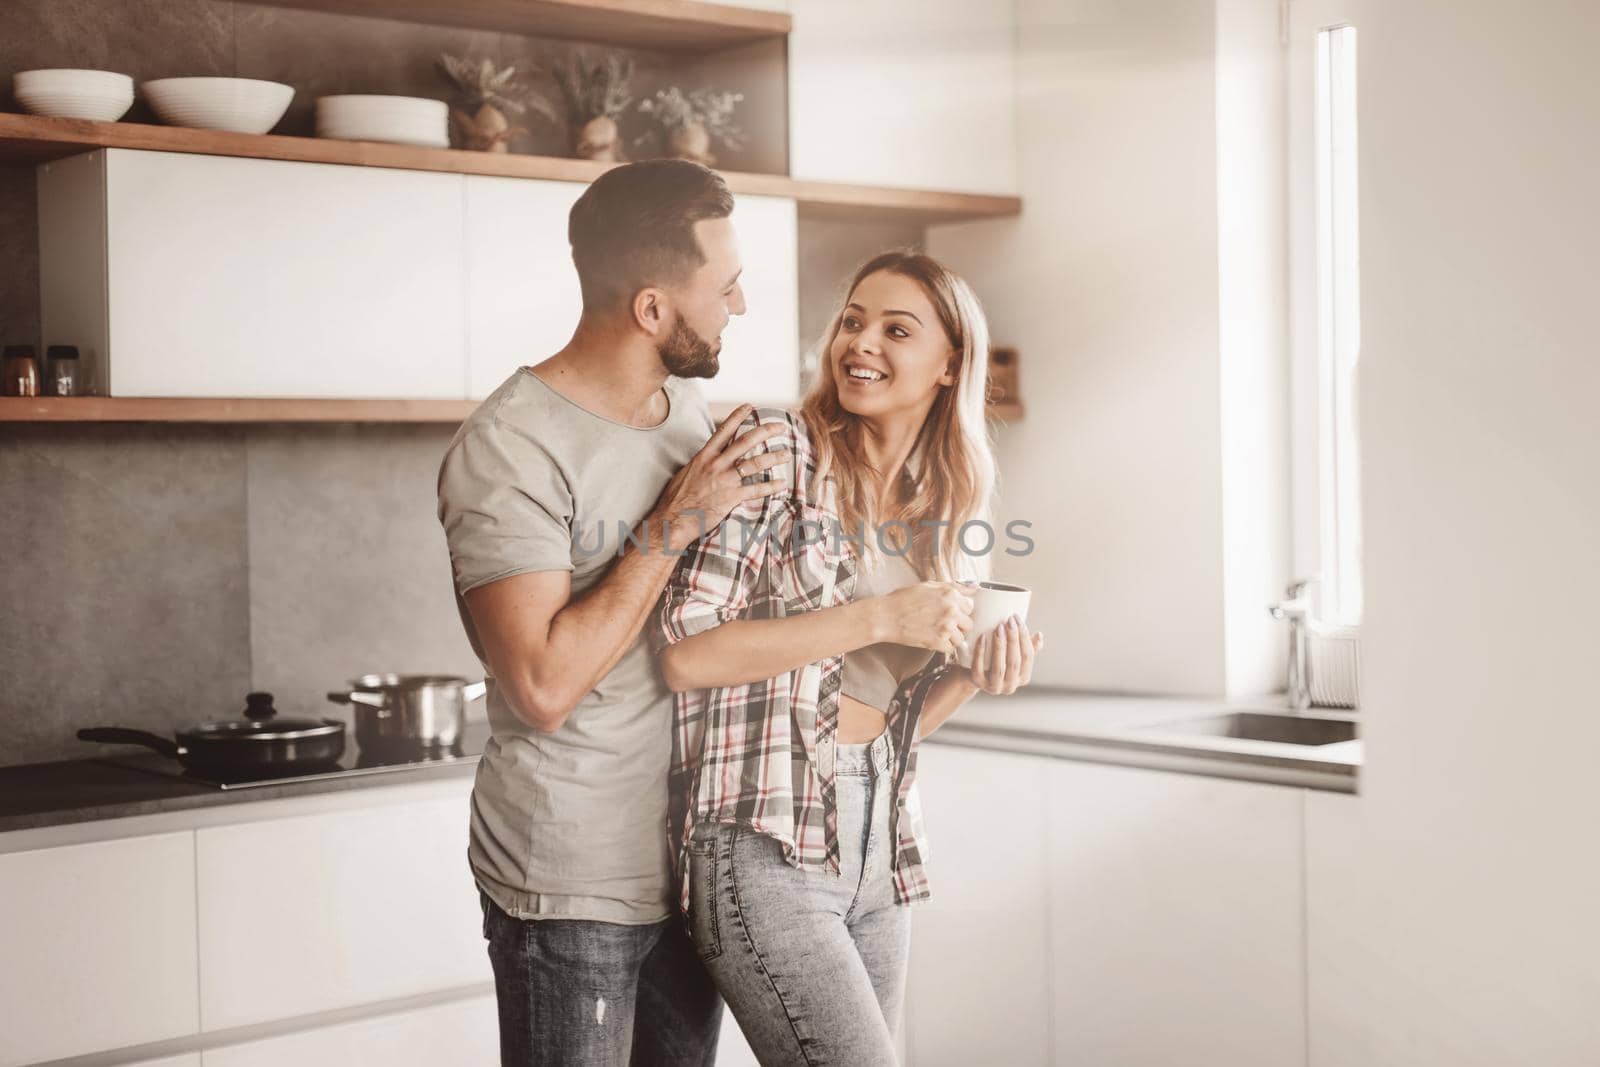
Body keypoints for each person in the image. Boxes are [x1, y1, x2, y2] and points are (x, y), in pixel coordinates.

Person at [435, 158, 792, 1065]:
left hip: (691, 871)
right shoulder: (510, 446)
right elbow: (541, 686)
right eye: (726, 287)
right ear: (651, 309)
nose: (739, 307)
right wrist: (672, 526)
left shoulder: (686, 411)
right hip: (571, 883)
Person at [652, 251, 1046, 1065]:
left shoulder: (941, 505)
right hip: (765, 840)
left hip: (879, 843)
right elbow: (686, 653)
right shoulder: (777, 450)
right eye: (854, 320)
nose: (860, 342)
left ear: (948, 367)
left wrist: (976, 672)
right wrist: (877, 616)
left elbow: (893, 726)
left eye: (896, 329)